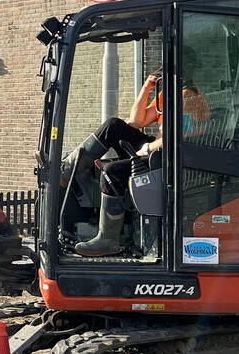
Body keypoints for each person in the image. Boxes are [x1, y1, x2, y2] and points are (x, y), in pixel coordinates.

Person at [63, 48, 209, 257]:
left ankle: (108, 239)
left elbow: (180, 138)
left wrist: (147, 148)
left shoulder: (188, 97)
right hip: (161, 148)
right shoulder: (169, 93)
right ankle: (66, 171)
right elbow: (136, 121)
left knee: (112, 171)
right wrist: (147, 88)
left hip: (173, 157)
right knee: (114, 126)